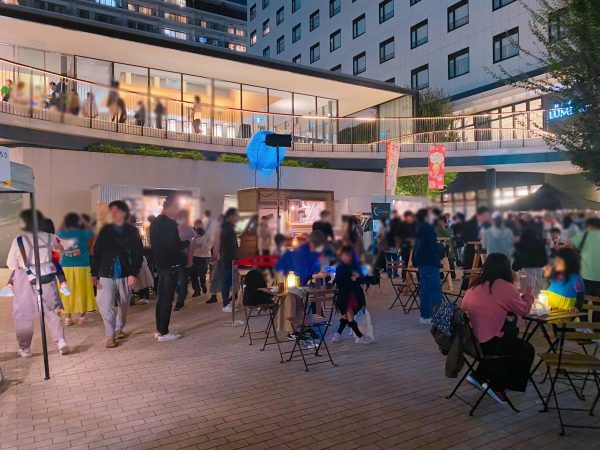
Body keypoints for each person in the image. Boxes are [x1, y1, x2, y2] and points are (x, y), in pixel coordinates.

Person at [462, 253, 535, 405]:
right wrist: (528, 292)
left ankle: (479, 374)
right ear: (506, 269)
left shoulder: (475, 285)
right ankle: (499, 386)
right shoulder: (505, 287)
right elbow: (524, 310)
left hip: (470, 341)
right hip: (489, 343)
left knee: (510, 340)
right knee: (525, 349)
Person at [6, 209, 70, 357]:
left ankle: (25, 349)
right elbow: (64, 248)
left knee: (24, 315)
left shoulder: (19, 240)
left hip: (25, 280)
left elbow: (11, 264)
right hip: (47, 277)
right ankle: (61, 341)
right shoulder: (50, 237)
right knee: (52, 311)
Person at [92, 201, 143, 348]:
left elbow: (138, 253)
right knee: (105, 304)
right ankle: (110, 335)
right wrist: (94, 273)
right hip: (105, 273)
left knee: (124, 303)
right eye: (111, 211)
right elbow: (97, 253)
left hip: (125, 274)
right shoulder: (105, 230)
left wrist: (134, 273)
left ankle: (119, 327)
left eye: (116, 211)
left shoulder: (132, 231)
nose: (113, 214)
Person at [150, 194, 189, 341]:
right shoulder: (170, 224)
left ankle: (159, 329)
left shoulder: (154, 222)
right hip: (171, 264)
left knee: (161, 298)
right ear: (170, 207)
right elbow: (174, 245)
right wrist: (187, 242)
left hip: (161, 264)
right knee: (167, 298)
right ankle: (164, 332)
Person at [57, 212, 96, 326]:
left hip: (66, 266)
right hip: (82, 265)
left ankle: (68, 318)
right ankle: (82, 317)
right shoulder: (85, 233)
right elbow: (93, 233)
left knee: (66, 291)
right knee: (82, 290)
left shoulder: (61, 233)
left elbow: (59, 247)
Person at [331, 246, 371, 344]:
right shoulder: (341, 267)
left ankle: (337, 335)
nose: (347, 257)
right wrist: (351, 278)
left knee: (346, 316)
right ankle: (360, 337)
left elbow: (362, 278)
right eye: (345, 255)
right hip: (346, 296)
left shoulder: (354, 266)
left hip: (353, 294)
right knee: (349, 316)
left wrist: (357, 277)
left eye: (349, 255)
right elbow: (338, 281)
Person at [412, 209, 443, 325]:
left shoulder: (417, 228)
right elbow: (431, 245)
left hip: (422, 262)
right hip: (430, 261)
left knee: (425, 290)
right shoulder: (428, 228)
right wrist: (441, 246)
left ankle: (425, 316)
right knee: (434, 290)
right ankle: (434, 316)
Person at [569, 217, 600, 319]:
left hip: (585, 276)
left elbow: (568, 244)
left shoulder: (585, 235)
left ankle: (583, 326)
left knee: (582, 305)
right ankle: (597, 327)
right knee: (598, 307)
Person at [513, 222, 548, 296]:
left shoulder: (522, 246)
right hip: (539, 271)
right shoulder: (540, 244)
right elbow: (545, 260)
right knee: (537, 288)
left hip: (526, 274)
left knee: (526, 291)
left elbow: (515, 265)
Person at [174, 209, 196, 310]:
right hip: (174, 258)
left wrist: (190, 259)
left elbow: (191, 247)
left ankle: (180, 301)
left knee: (182, 281)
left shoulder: (189, 229)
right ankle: (183, 293)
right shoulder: (175, 228)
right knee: (176, 282)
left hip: (184, 258)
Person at [219, 207, 240, 313]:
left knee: (228, 281)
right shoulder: (228, 229)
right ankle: (226, 304)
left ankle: (227, 302)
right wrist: (235, 260)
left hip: (226, 258)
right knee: (226, 282)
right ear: (231, 216)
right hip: (228, 259)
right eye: (236, 216)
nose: (238, 218)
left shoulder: (226, 227)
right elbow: (231, 247)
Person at [190, 219, 211, 297]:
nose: (198, 226)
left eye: (199, 224)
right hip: (194, 256)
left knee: (202, 274)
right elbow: (191, 245)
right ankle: (197, 290)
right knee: (193, 274)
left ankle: (203, 284)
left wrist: (200, 243)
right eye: (196, 224)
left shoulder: (207, 234)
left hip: (203, 257)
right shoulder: (192, 233)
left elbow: (208, 246)